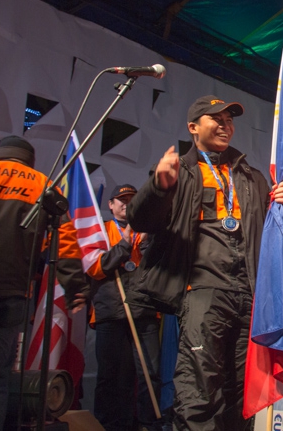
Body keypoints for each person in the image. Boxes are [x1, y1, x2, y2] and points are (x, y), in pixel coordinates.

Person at [126, 95, 283, 431]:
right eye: (214, 118)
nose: (224, 125)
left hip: (248, 294)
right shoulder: (179, 171)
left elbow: (270, 234)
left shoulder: (251, 176)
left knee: (239, 391)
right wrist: (159, 186)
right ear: (193, 128)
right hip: (202, 289)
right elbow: (140, 218)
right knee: (200, 388)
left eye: (229, 120)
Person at [0, 136, 89, 430]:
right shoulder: (44, 187)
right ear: (31, 160)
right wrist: (76, 288)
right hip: (10, 296)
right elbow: (64, 244)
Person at [87, 183, 163, 431]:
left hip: (145, 311)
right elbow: (97, 268)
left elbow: (158, 266)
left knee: (148, 374)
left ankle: (147, 424)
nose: (126, 203)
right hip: (110, 312)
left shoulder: (150, 232)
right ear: (110, 205)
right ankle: (108, 424)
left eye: (132, 199)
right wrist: (124, 243)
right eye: (121, 199)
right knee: (111, 376)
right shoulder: (99, 231)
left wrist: (140, 241)